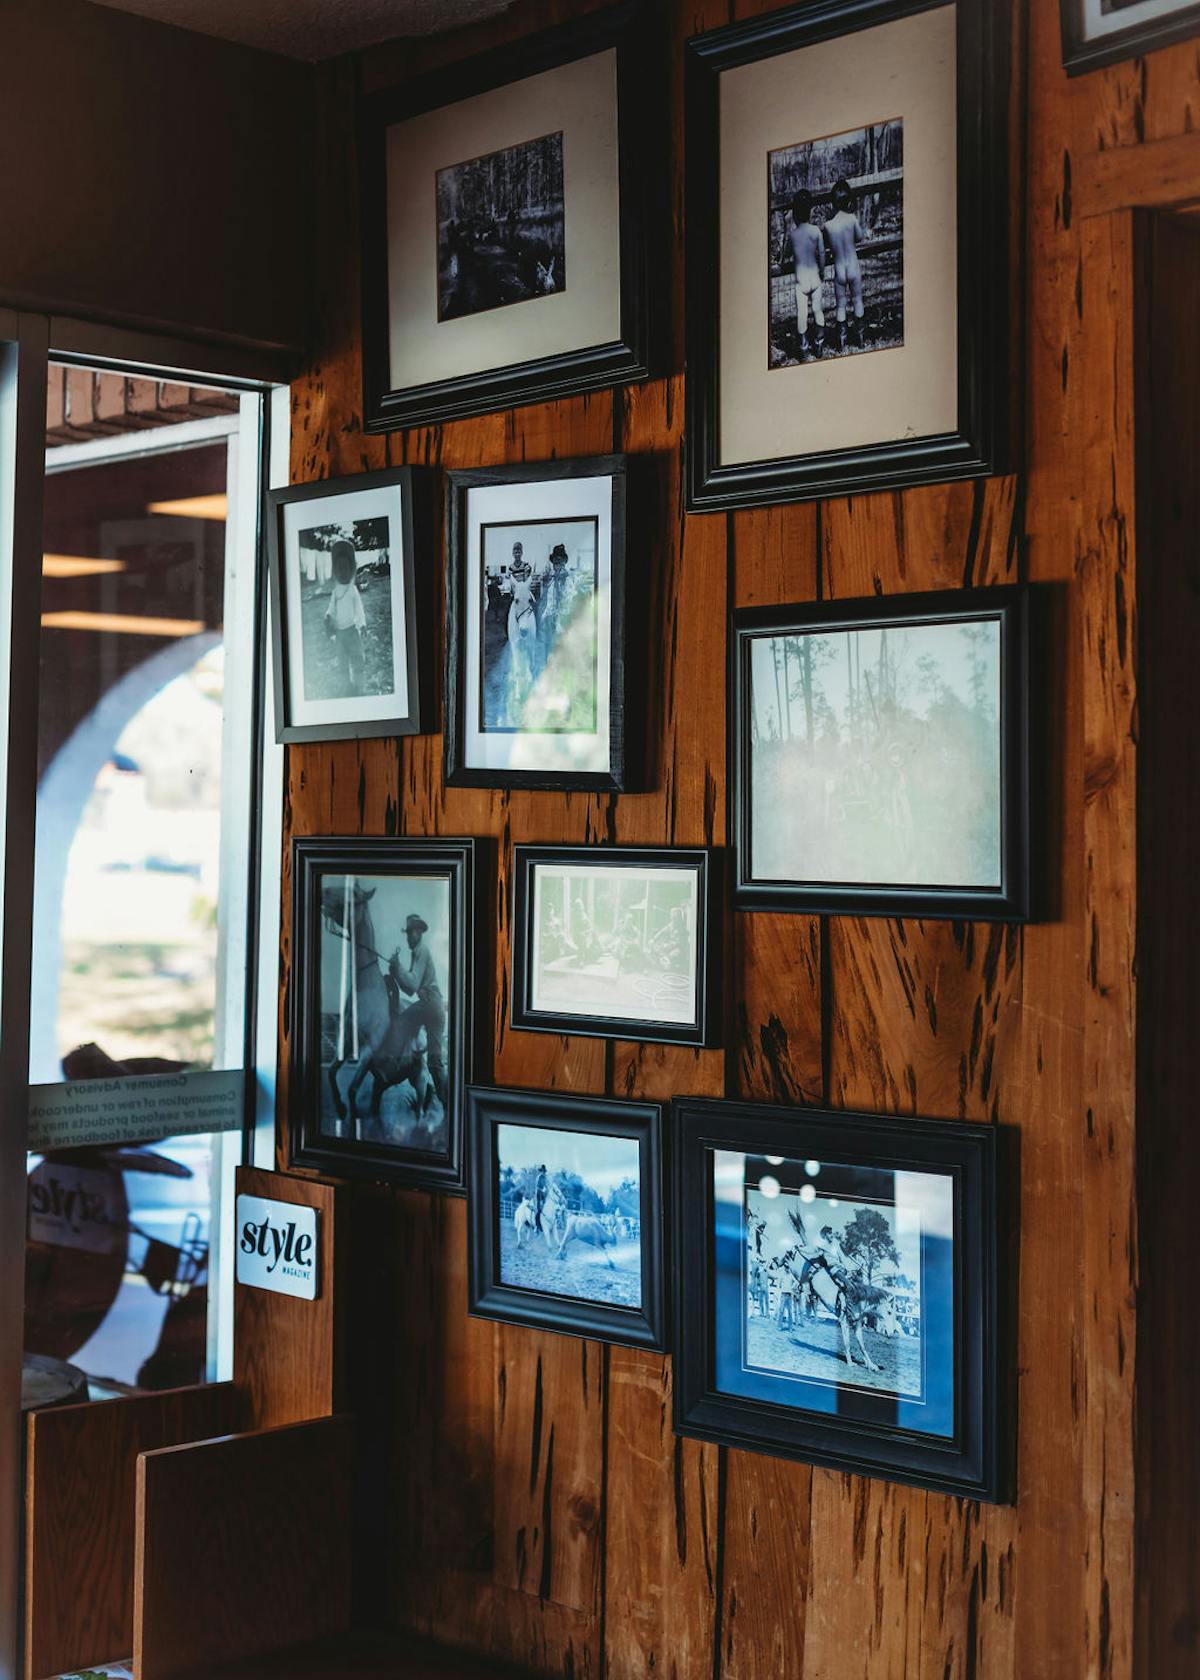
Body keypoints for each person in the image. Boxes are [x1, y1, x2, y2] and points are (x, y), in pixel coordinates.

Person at [389, 913, 447, 1114]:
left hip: (430, 1006)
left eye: (410, 933)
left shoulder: (421, 951)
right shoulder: (417, 953)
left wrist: (398, 969)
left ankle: (398, 1063)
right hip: (433, 1007)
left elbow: (412, 983)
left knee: (400, 1021)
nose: (407, 937)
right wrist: (397, 972)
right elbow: (409, 989)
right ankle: (447, 1104)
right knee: (435, 1063)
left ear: (418, 932)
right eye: (407, 933)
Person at [823, 177, 867, 351]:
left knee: (840, 303)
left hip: (839, 269)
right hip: (853, 267)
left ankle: (842, 339)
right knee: (857, 300)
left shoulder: (828, 225)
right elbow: (859, 236)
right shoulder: (852, 219)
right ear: (848, 201)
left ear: (832, 203)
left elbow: (826, 244)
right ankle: (861, 336)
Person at [782, 189, 827, 361]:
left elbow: (785, 255)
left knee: (802, 314)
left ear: (794, 213)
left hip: (800, 282)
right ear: (811, 210)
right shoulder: (816, 231)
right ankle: (819, 343)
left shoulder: (793, 235)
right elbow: (822, 254)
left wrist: (787, 229)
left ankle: (804, 348)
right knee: (817, 310)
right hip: (815, 278)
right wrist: (822, 271)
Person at [498, 542, 540, 720]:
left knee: (534, 609)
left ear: (522, 552)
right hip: (516, 595)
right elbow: (510, 582)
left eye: (519, 551)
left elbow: (528, 579)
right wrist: (512, 588)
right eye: (514, 551)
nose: (517, 553)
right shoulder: (510, 567)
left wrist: (524, 588)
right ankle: (506, 632)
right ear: (512, 552)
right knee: (505, 610)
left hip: (525, 595)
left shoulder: (526, 565)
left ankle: (536, 632)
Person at [324, 539, 366, 696]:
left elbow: (359, 608)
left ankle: (359, 685)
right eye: (339, 568)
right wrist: (328, 617)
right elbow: (331, 608)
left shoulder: (353, 589)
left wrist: (362, 624)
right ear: (335, 571)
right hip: (340, 635)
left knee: (357, 658)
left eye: (345, 568)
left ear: (351, 569)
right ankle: (346, 685)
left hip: (352, 631)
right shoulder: (335, 592)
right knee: (342, 662)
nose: (342, 572)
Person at [533, 1162, 550, 1233]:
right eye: (543, 1171)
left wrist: (547, 1188)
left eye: (544, 1171)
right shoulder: (538, 1178)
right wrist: (542, 1189)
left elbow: (546, 1185)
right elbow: (536, 1187)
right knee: (539, 1210)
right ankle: (537, 1226)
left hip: (543, 1195)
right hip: (538, 1195)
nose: (544, 1172)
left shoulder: (545, 1178)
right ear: (541, 1171)